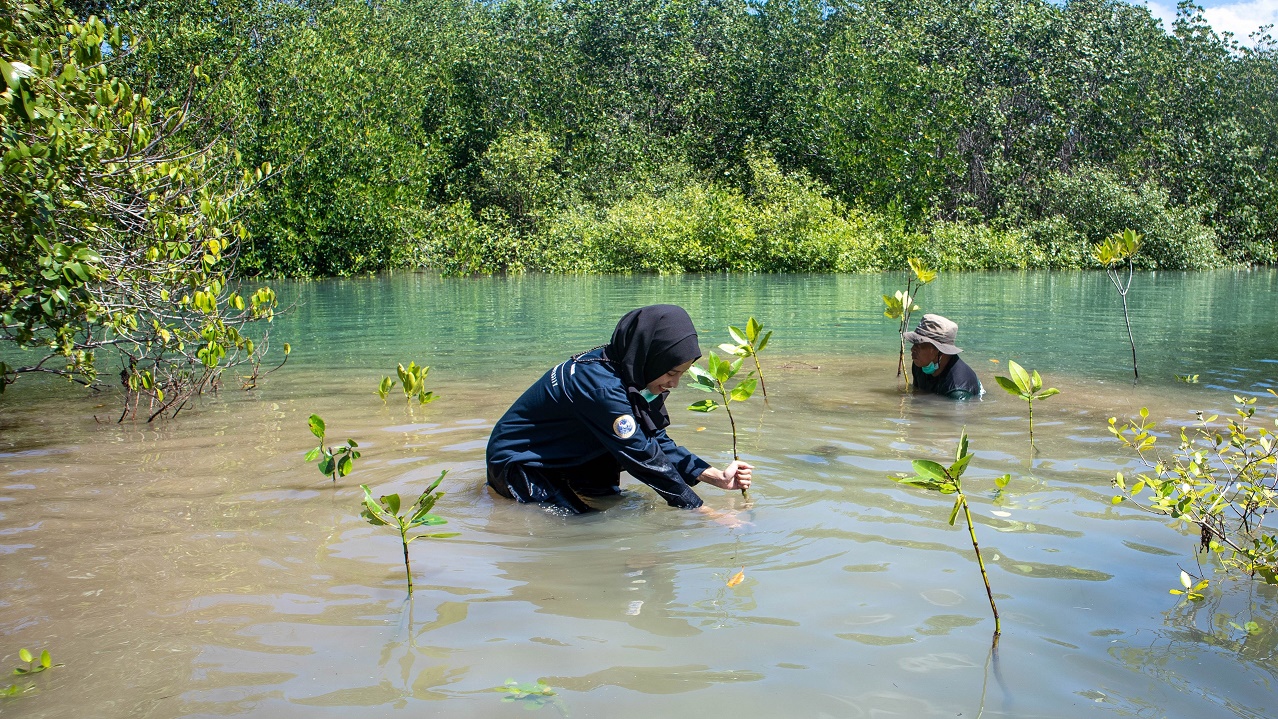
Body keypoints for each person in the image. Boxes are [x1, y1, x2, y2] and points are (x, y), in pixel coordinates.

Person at [486, 304, 752, 514]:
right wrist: (704, 511)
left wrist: (714, 476)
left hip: (570, 454)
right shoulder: (602, 389)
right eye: (671, 372)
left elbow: (654, 439)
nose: (674, 383)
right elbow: (643, 458)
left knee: (613, 503)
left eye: (680, 374)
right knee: (583, 526)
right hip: (521, 463)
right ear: (652, 356)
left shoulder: (633, 372)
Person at [902, 313, 983, 400]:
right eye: (914, 344)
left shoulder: (958, 390)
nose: (912, 349)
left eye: (919, 345)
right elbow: (917, 394)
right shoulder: (920, 364)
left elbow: (951, 412)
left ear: (939, 350)